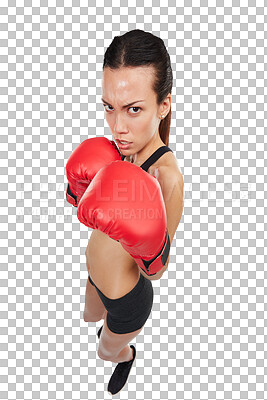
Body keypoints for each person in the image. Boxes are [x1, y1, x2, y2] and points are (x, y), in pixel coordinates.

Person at [69, 29, 184, 395]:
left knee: (106, 350)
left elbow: (158, 268)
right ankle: (103, 325)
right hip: (94, 273)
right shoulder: (121, 146)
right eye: (109, 107)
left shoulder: (166, 177)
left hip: (126, 299)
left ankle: (126, 354)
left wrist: (141, 219)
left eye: (134, 109)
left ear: (163, 104)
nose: (118, 128)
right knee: (88, 316)